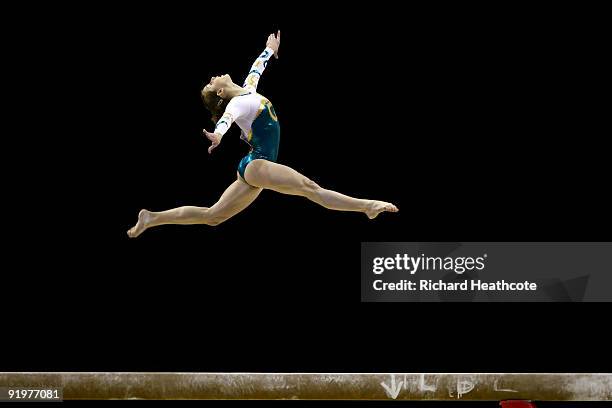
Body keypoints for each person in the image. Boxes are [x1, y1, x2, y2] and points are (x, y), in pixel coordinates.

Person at [128, 31, 398, 238]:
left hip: (251, 166)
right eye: (212, 83)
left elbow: (257, 68)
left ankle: (152, 218)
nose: (214, 77)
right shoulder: (235, 104)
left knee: (213, 216)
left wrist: (270, 49)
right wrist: (218, 136)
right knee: (311, 189)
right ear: (220, 92)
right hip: (257, 163)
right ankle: (367, 206)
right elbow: (226, 120)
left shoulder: (248, 90)